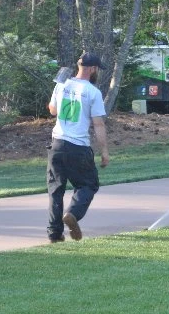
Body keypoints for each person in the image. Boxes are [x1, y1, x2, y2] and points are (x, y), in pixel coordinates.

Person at [46, 51, 110, 243]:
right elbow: (98, 124)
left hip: (57, 143)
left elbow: (53, 110)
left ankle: (54, 234)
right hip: (78, 146)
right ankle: (72, 214)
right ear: (92, 69)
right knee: (88, 184)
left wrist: (59, 90)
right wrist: (104, 152)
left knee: (56, 189)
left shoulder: (62, 83)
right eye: (97, 68)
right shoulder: (93, 92)